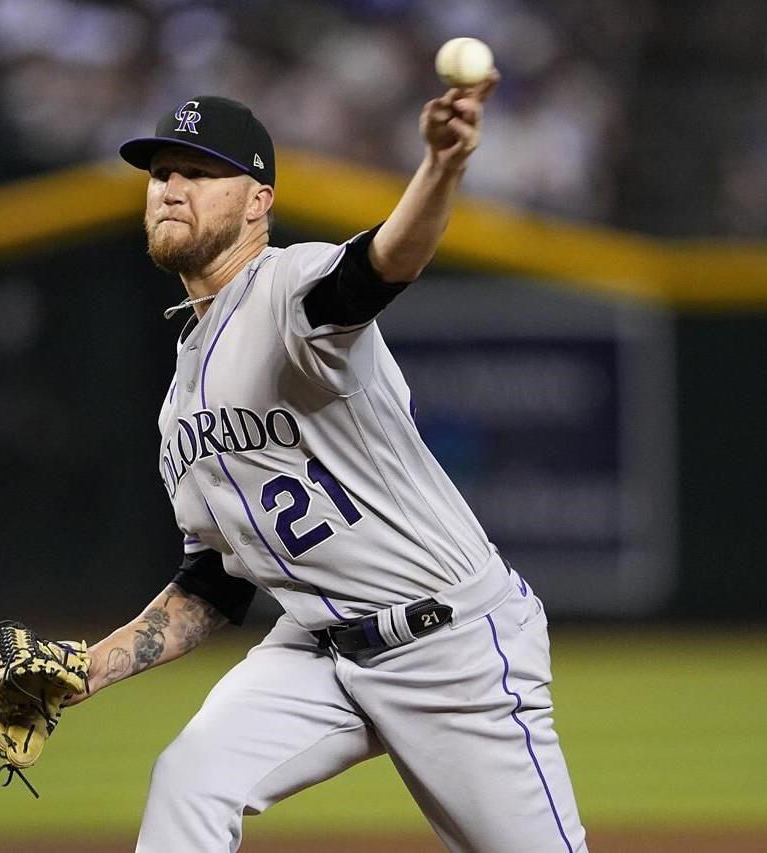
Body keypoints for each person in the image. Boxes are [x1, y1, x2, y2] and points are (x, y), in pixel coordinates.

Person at [69, 81, 588, 852]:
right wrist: (83, 671)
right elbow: (215, 581)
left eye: (199, 171)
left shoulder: (286, 288)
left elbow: (378, 267)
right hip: (316, 652)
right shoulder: (179, 398)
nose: (171, 187)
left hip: (449, 646)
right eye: (160, 172)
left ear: (257, 202)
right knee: (190, 780)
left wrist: (441, 167)